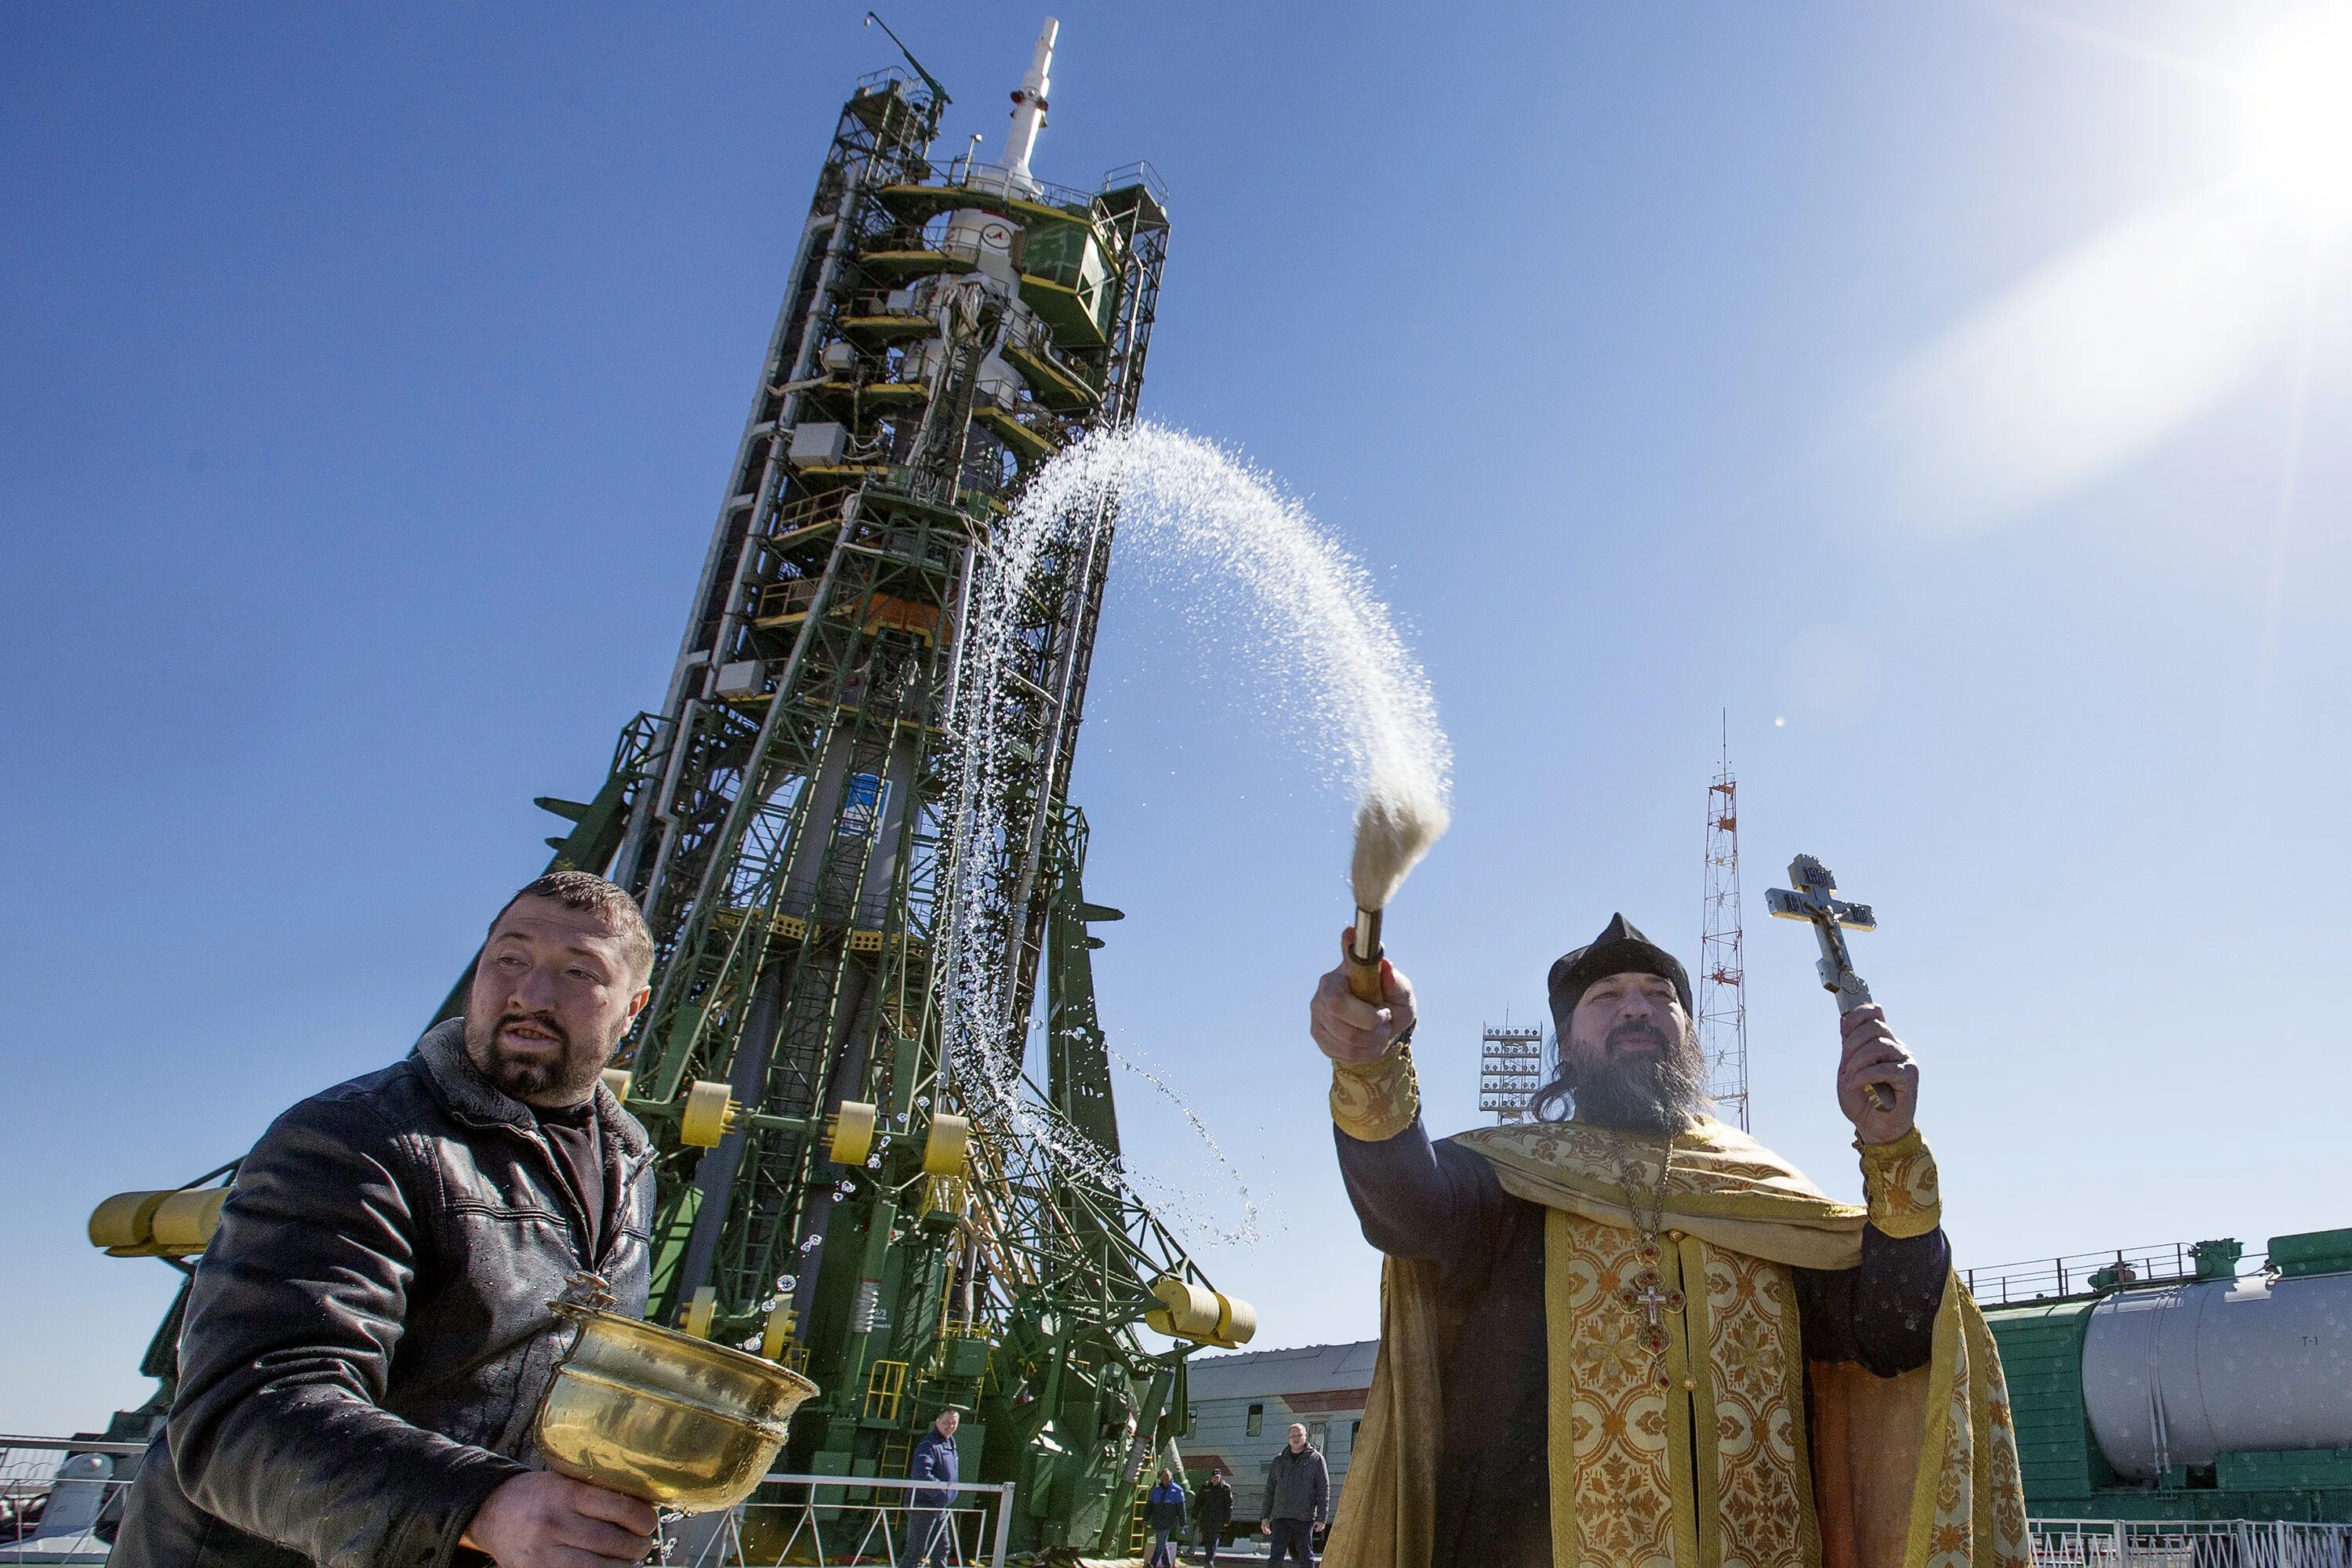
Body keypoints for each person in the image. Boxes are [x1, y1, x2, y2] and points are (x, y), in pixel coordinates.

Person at [1313, 913, 2029, 1568]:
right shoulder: (1505, 1183)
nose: (1636, 1007)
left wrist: (1890, 1146)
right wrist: (1374, 1061)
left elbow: (1896, 1337)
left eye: (1661, 996)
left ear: (1688, 1033)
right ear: (1566, 1043)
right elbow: (1402, 1207)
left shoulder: (1760, 1195)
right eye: (1606, 997)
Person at [113, 870, 666, 1568]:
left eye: (578, 971)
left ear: (633, 1007)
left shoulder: (630, 1170)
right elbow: (247, 1411)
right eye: (509, 958)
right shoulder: (359, 1135)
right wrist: (482, 1504)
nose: (530, 994)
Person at [899, 1409, 960, 1568]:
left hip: (939, 1506)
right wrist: (941, 1494)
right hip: (924, 1504)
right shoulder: (929, 1445)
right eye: (946, 1422)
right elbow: (921, 1474)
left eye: (954, 1422)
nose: (950, 1426)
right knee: (916, 1550)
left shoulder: (950, 1444)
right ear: (937, 1422)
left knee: (942, 1549)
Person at [1260, 1425, 1328, 1566]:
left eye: (1299, 1435)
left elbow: (1323, 1490)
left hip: (1304, 1518)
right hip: (1280, 1517)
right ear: (1288, 1438)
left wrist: (1321, 1517)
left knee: (1306, 1558)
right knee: (1275, 1557)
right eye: (1292, 1436)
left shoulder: (1316, 1460)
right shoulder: (1279, 1461)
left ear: (1306, 1436)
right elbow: (1270, 1490)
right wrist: (1265, 1517)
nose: (1296, 1439)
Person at [1145, 1468, 1188, 1568]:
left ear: (1171, 1477)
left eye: (1167, 1476)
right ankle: (1167, 1564)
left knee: (1160, 1543)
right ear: (1161, 1477)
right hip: (1157, 1520)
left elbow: (1181, 1509)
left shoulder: (1177, 1490)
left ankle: (1153, 1563)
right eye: (1164, 1476)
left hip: (1168, 1521)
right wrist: (1145, 1519)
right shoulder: (1156, 1491)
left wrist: (1183, 1523)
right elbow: (1149, 1506)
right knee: (1162, 1543)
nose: (1165, 1478)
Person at [1194, 1466, 1234, 1564]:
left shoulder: (1225, 1488)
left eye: (1217, 1477)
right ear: (1211, 1478)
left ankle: (1209, 1561)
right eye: (1214, 1477)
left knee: (1214, 1539)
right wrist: (1194, 1516)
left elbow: (1229, 1505)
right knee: (1207, 1539)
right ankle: (1209, 1558)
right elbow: (1198, 1502)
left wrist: (1226, 1520)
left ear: (1220, 1477)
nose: (1215, 1479)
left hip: (1218, 1519)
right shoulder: (1205, 1487)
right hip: (1206, 1518)